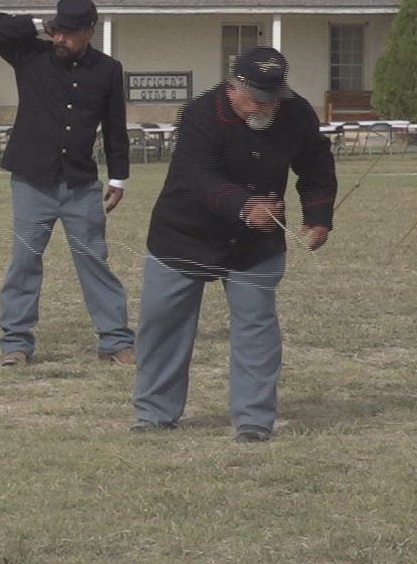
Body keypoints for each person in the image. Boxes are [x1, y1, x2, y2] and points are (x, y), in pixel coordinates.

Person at [131, 47, 334, 442]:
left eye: (273, 98)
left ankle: (254, 421)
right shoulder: (200, 114)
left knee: (256, 326)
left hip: (256, 244)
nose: (266, 106)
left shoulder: (296, 114)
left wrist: (318, 216)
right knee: (163, 324)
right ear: (233, 86)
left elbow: (316, 164)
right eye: (257, 98)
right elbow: (196, 176)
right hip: (183, 235)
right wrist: (244, 207)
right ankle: (155, 414)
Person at [0, 0, 135, 368]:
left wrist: (118, 177)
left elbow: (115, 127)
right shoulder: (29, 54)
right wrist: (38, 25)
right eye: (57, 31)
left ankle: (114, 341)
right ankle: (15, 344)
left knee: (93, 260)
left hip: (81, 183)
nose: (61, 39)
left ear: (90, 32)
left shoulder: (108, 69)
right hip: (32, 180)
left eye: (70, 33)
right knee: (25, 261)